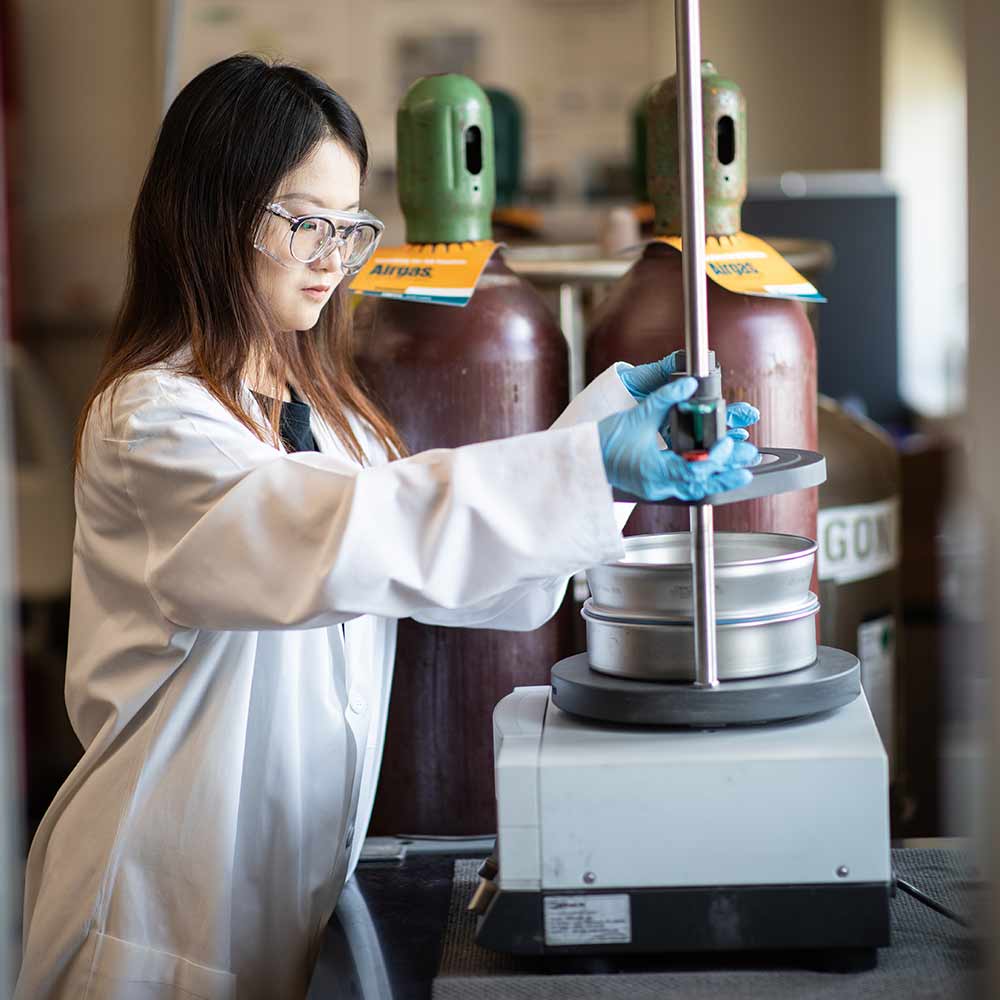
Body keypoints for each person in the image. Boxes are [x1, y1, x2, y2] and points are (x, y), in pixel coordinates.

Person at [14, 55, 758, 1000]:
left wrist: (597, 428)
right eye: (303, 222)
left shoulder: (336, 421)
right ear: (208, 213)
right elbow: (342, 534)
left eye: (350, 226)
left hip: (277, 904)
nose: (333, 256)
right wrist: (589, 460)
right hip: (152, 918)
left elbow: (478, 580)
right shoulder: (151, 425)